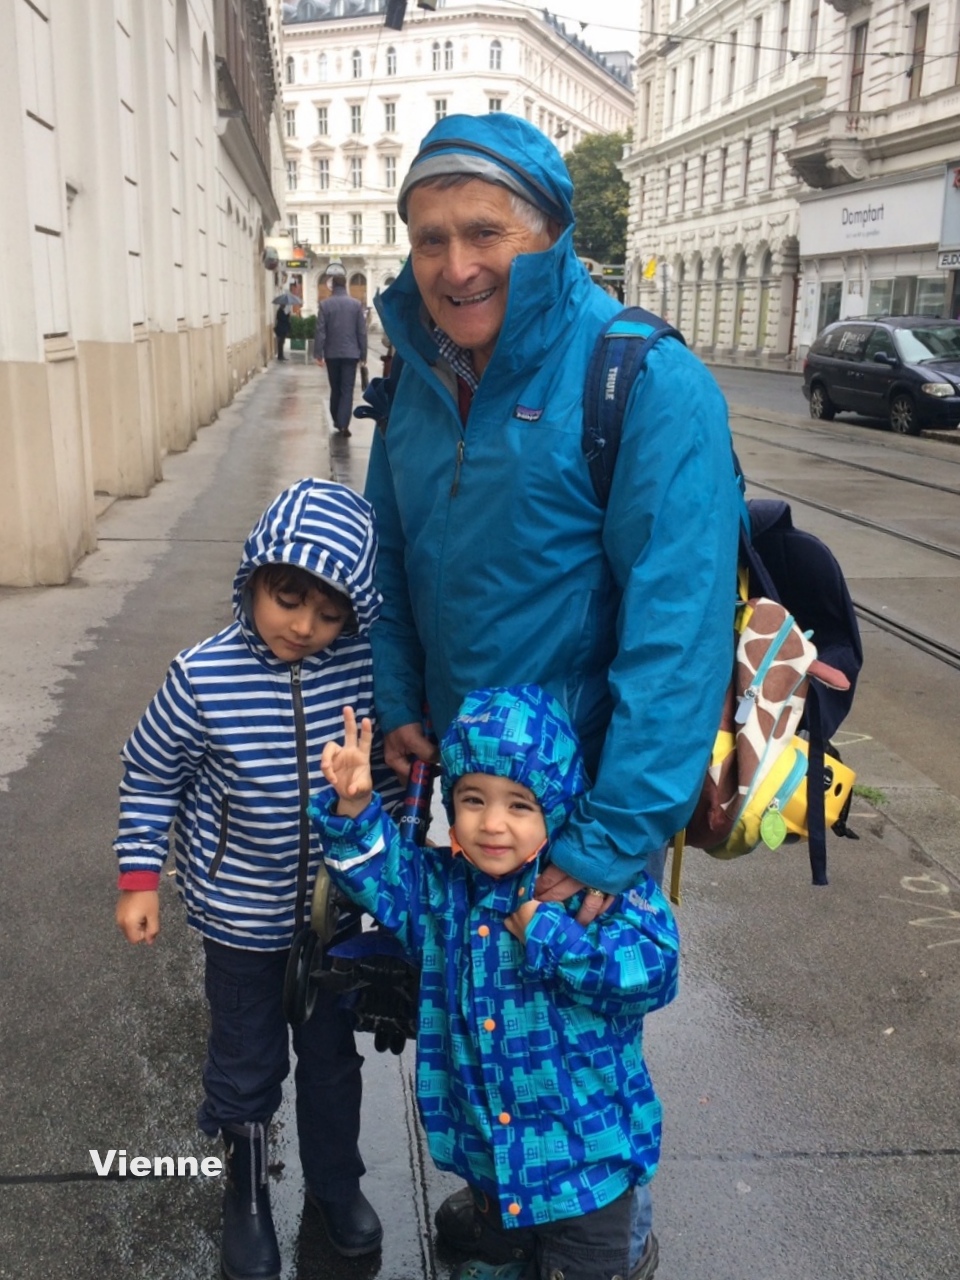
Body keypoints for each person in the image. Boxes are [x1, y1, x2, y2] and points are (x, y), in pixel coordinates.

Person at [361, 112, 742, 1278]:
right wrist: (402, 699)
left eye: (485, 232)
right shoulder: (418, 373)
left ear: (554, 232)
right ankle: (506, 1205)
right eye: (431, 237)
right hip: (468, 786)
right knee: (479, 1006)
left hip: (581, 804)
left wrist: (613, 836)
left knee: (583, 1035)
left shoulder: (645, 380)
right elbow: (391, 555)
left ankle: (603, 1242)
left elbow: (678, 636)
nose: (455, 264)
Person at [113, 478, 400, 1280]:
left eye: (330, 614)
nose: (303, 627)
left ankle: (336, 1184)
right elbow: (150, 772)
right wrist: (139, 876)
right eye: (287, 599)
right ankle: (244, 1195)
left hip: (334, 919)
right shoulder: (201, 677)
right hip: (240, 920)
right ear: (253, 579)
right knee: (245, 1064)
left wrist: (389, 867)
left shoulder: (362, 674)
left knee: (333, 1059)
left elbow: (388, 780)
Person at [313, 684, 680, 1280]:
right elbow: (384, 876)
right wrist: (355, 809)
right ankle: (512, 1255)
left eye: (519, 805)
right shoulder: (445, 890)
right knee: (503, 1231)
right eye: (472, 799)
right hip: (490, 1145)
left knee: (582, 1261)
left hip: (585, 1163)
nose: (491, 824)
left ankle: (621, 1259)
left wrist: (551, 938)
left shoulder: (595, 894)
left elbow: (655, 970)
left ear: (556, 805)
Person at [315, 265, 367, 435]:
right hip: (351, 354)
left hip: (332, 354)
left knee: (335, 388)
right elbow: (361, 331)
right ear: (345, 285)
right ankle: (343, 424)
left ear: (333, 286)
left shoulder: (325, 305)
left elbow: (320, 331)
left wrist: (318, 354)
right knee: (347, 389)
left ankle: (336, 418)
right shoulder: (356, 305)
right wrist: (363, 354)